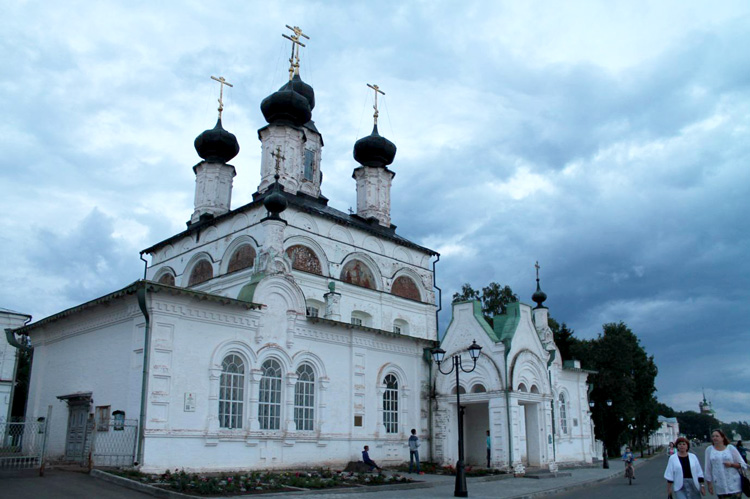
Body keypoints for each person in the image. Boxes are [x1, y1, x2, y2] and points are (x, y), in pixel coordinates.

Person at [705, 429, 746, 498]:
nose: (714, 438)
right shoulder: (709, 450)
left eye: (717, 436)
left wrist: (731, 464)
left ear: (722, 438)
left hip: (734, 484)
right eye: (713, 436)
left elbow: (743, 464)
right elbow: (707, 468)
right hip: (720, 485)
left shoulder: (730, 448)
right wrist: (709, 484)